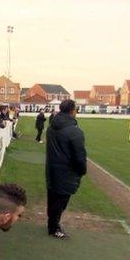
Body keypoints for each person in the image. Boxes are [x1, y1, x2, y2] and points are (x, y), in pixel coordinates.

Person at [45, 99, 87, 239]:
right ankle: (54, 228)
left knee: (52, 198)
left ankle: (52, 225)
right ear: (72, 110)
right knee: (60, 201)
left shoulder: (51, 127)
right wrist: (82, 170)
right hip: (66, 172)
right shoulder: (75, 132)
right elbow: (80, 156)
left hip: (52, 169)